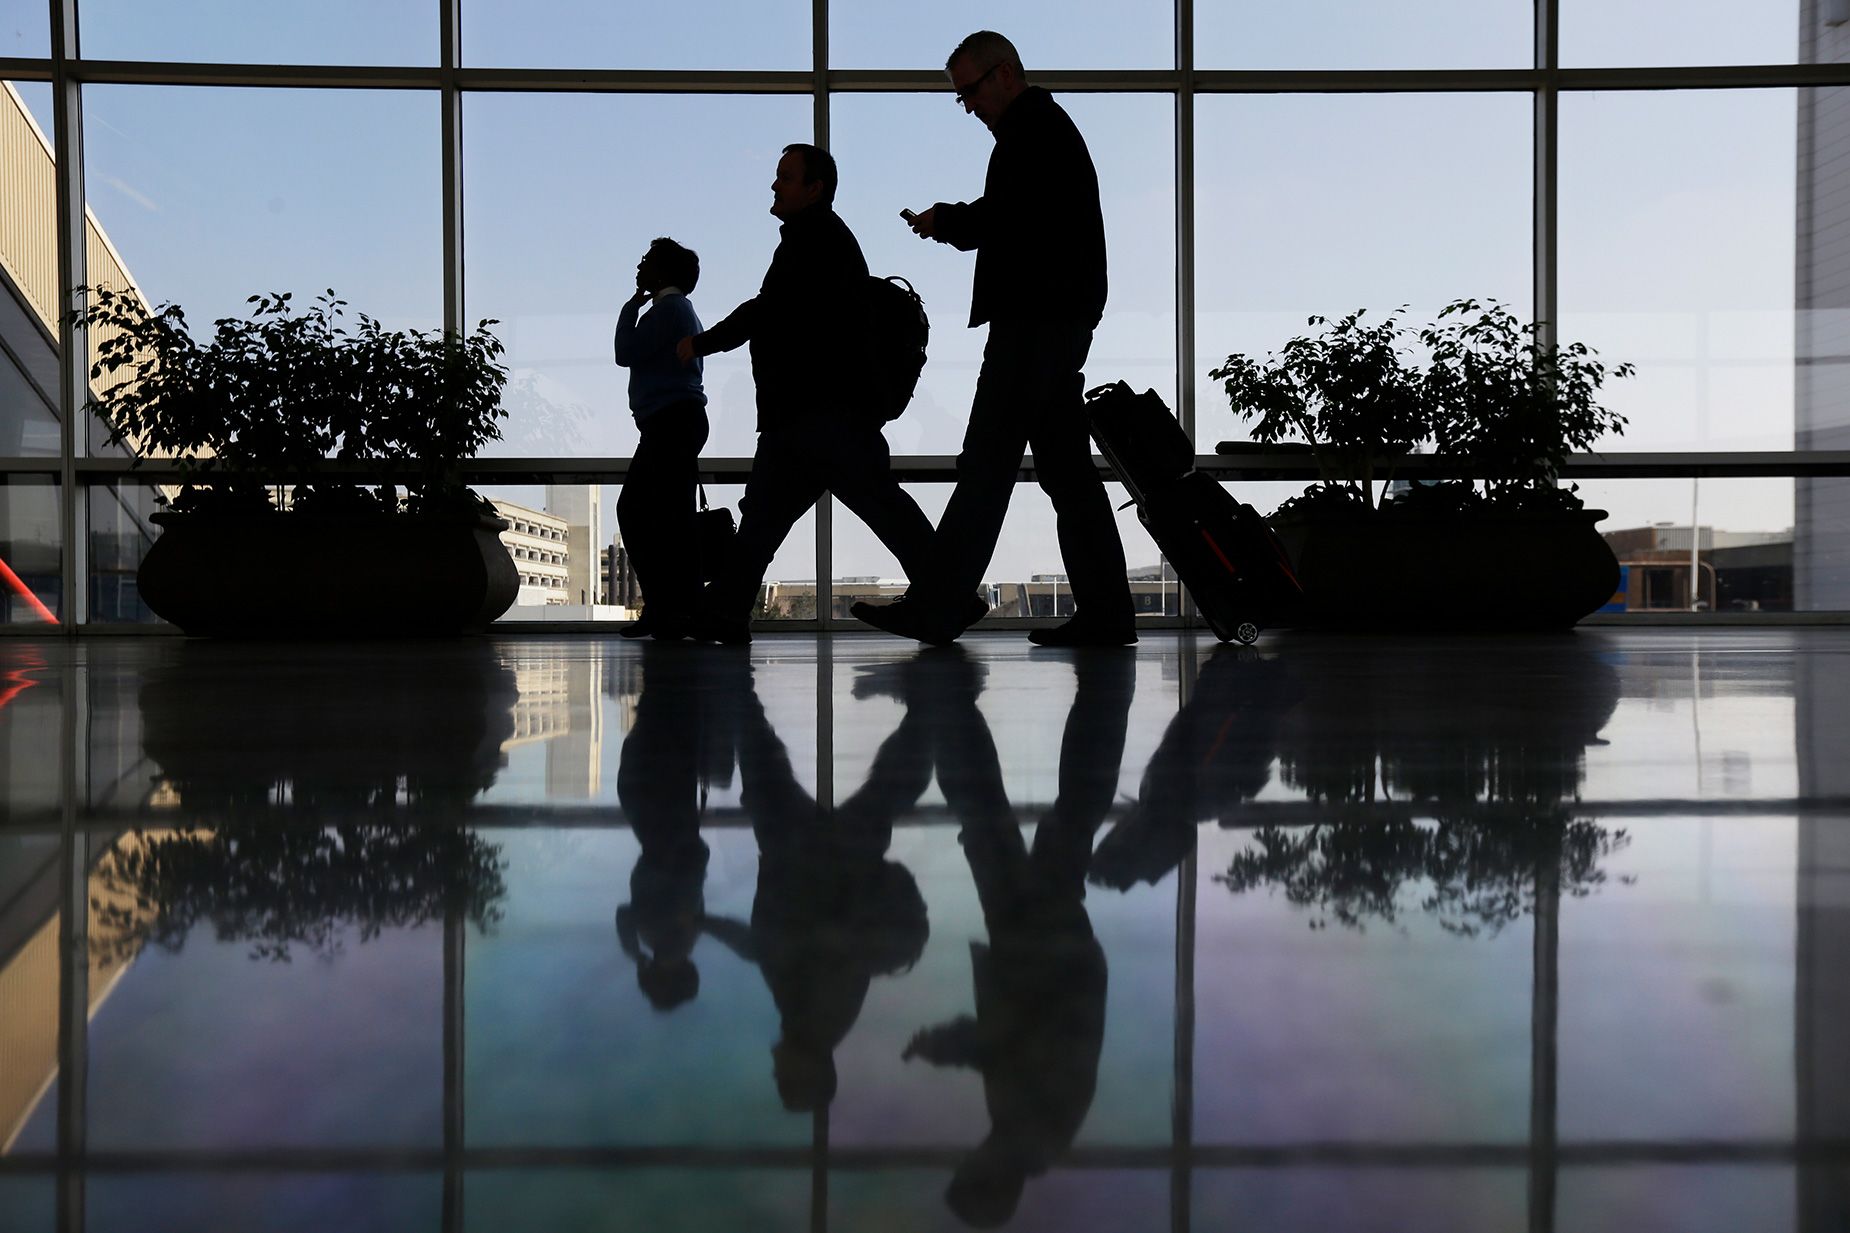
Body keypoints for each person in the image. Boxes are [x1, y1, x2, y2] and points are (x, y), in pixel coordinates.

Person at [853, 30, 1135, 648]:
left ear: (1004, 74)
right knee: (1064, 473)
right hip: (1055, 322)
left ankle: (939, 604)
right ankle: (1108, 612)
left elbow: (1004, 216)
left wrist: (947, 221)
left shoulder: (1031, 132)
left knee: (986, 463)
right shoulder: (1047, 130)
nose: (968, 107)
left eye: (970, 92)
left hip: (1033, 324)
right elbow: (1020, 217)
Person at [676, 144, 938, 645]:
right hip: (811, 413)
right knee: (778, 514)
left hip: (816, 411)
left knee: (848, 505)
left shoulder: (813, 239)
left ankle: (947, 592)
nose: (775, 185)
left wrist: (701, 343)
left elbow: (766, 311)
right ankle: (728, 609)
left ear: (814, 188)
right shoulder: (821, 239)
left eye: (785, 177)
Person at [613, 237, 708, 639]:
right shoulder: (675, 311)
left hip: (670, 422)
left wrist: (629, 309)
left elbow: (625, 351)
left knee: (635, 511)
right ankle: (674, 609)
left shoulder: (667, 310)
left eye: (646, 260)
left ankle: (667, 607)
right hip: (675, 422)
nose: (639, 266)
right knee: (669, 517)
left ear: (663, 272)